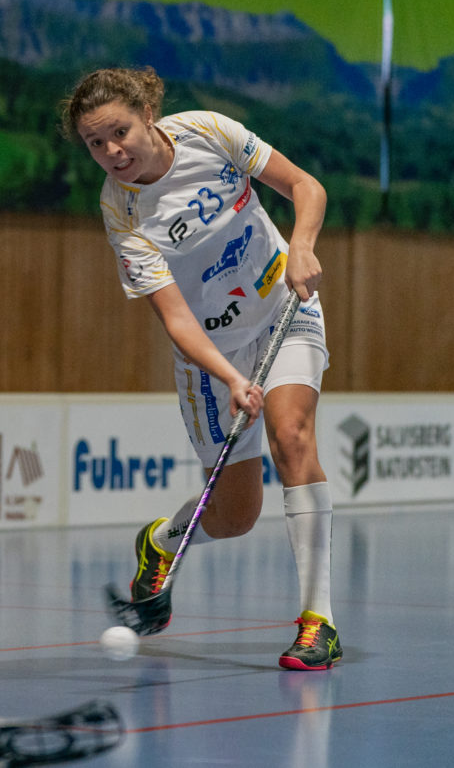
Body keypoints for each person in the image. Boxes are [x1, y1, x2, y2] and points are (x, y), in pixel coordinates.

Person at [60, 67, 341, 671]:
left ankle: (318, 622)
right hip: (211, 355)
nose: (112, 152)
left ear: (148, 115)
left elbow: (305, 186)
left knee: (292, 436)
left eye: (119, 132)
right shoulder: (122, 212)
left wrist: (302, 246)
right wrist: (232, 378)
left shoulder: (208, 133)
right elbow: (177, 320)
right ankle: (162, 541)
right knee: (237, 516)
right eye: (95, 143)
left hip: (284, 306)